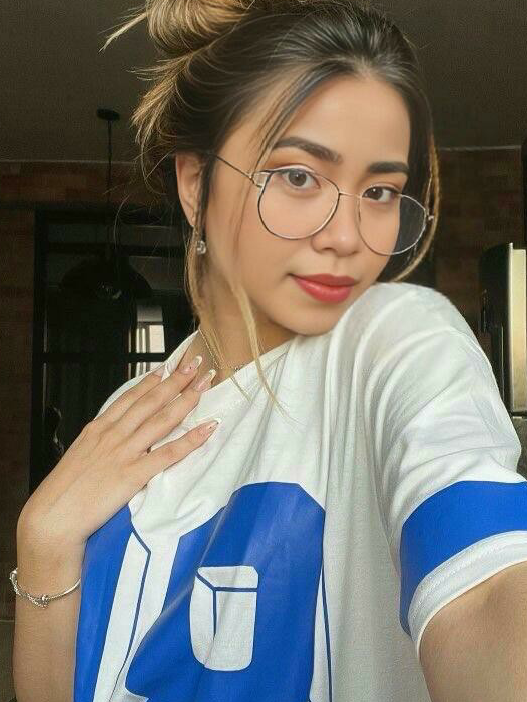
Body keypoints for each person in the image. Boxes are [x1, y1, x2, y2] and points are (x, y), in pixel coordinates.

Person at [12, 1, 527, 701]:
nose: (347, 235)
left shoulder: (394, 340)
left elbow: (486, 582)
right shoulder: (130, 411)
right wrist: (43, 543)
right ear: (196, 185)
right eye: (298, 176)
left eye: (380, 191)